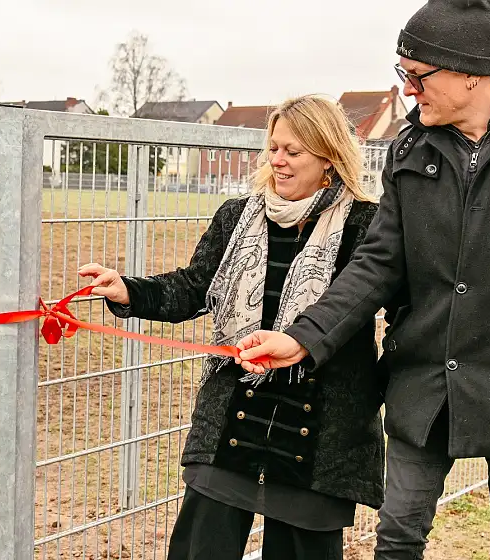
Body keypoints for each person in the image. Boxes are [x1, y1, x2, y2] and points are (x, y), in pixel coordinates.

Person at [235, 1, 490, 559]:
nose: (409, 91)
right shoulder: (411, 149)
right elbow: (377, 263)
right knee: (397, 535)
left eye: (417, 77)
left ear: (469, 72)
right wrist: (302, 337)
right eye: (404, 75)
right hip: (427, 376)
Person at [79, 95, 389, 560]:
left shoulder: (366, 224)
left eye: (293, 151)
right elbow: (193, 287)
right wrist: (127, 289)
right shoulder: (236, 216)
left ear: (328, 157)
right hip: (233, 423)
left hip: (317, 436)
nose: (278, 161)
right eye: (274, 147)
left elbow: (365, 310)